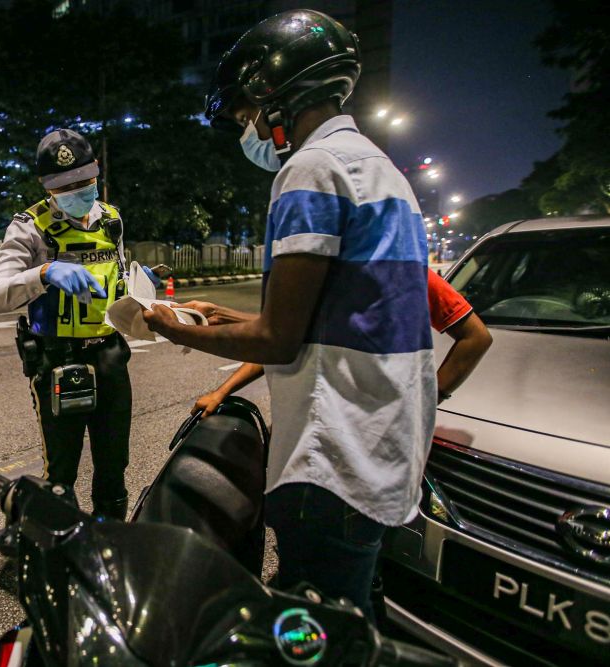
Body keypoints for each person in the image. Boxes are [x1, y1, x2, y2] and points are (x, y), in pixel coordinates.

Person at [142, 9, 435, 620]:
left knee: (317, 632)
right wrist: (221, 316)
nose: (247, 129)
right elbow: (333, 313)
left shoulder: (311, 169)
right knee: (357, 619)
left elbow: (279, 338)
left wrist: (174, 329)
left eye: (246, 115)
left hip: (333, 459)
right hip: (383, 445)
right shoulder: (381, 169)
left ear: (271, 95)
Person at [0, 128, 152, 521]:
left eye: (86, 180)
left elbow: (119, 276)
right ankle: (63, 550)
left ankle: (110, 543)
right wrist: (43, 273)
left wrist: (142, 293)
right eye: (66, 184)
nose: (79, 190)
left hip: (109, 355)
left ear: (97, 173)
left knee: (114, 464)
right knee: (62, 471)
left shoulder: (111, 219)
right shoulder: (30, 228)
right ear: (48, 186)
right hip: (58, 360)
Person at [191, 270, 493, 416]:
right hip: (313, 428)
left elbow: (476, 337)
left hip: (371, 440)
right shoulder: (326, 277)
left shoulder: (411, 275)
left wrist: (429, 399)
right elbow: (284, 340)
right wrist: (221, 391)